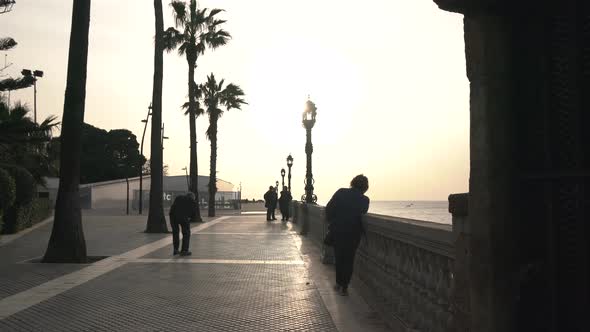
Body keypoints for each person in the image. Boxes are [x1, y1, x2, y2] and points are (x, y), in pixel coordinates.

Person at [325, 174, 370, 296]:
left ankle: (339, 283)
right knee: (349, 259)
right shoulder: (365, 200)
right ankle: (345, 286)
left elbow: (328, 209)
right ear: (365, 187)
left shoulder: (341, 192)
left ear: (353, 183)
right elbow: (363, 212)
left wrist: (333, 221)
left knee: (339, 258)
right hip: (353, 233)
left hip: (338, 230)